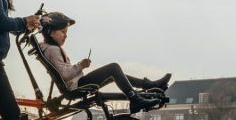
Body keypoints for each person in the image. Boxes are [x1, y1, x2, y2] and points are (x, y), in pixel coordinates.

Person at [39, 12, 170, 111]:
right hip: (78, 86)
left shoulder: (49, 49)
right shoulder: (53, 50)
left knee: (114, 75)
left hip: (76, 85)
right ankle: (135, 99)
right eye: (63, 32)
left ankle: (150, 85)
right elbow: (65, 74)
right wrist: (81, 65)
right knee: (113, 68)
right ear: (51, 32)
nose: (66, 35)